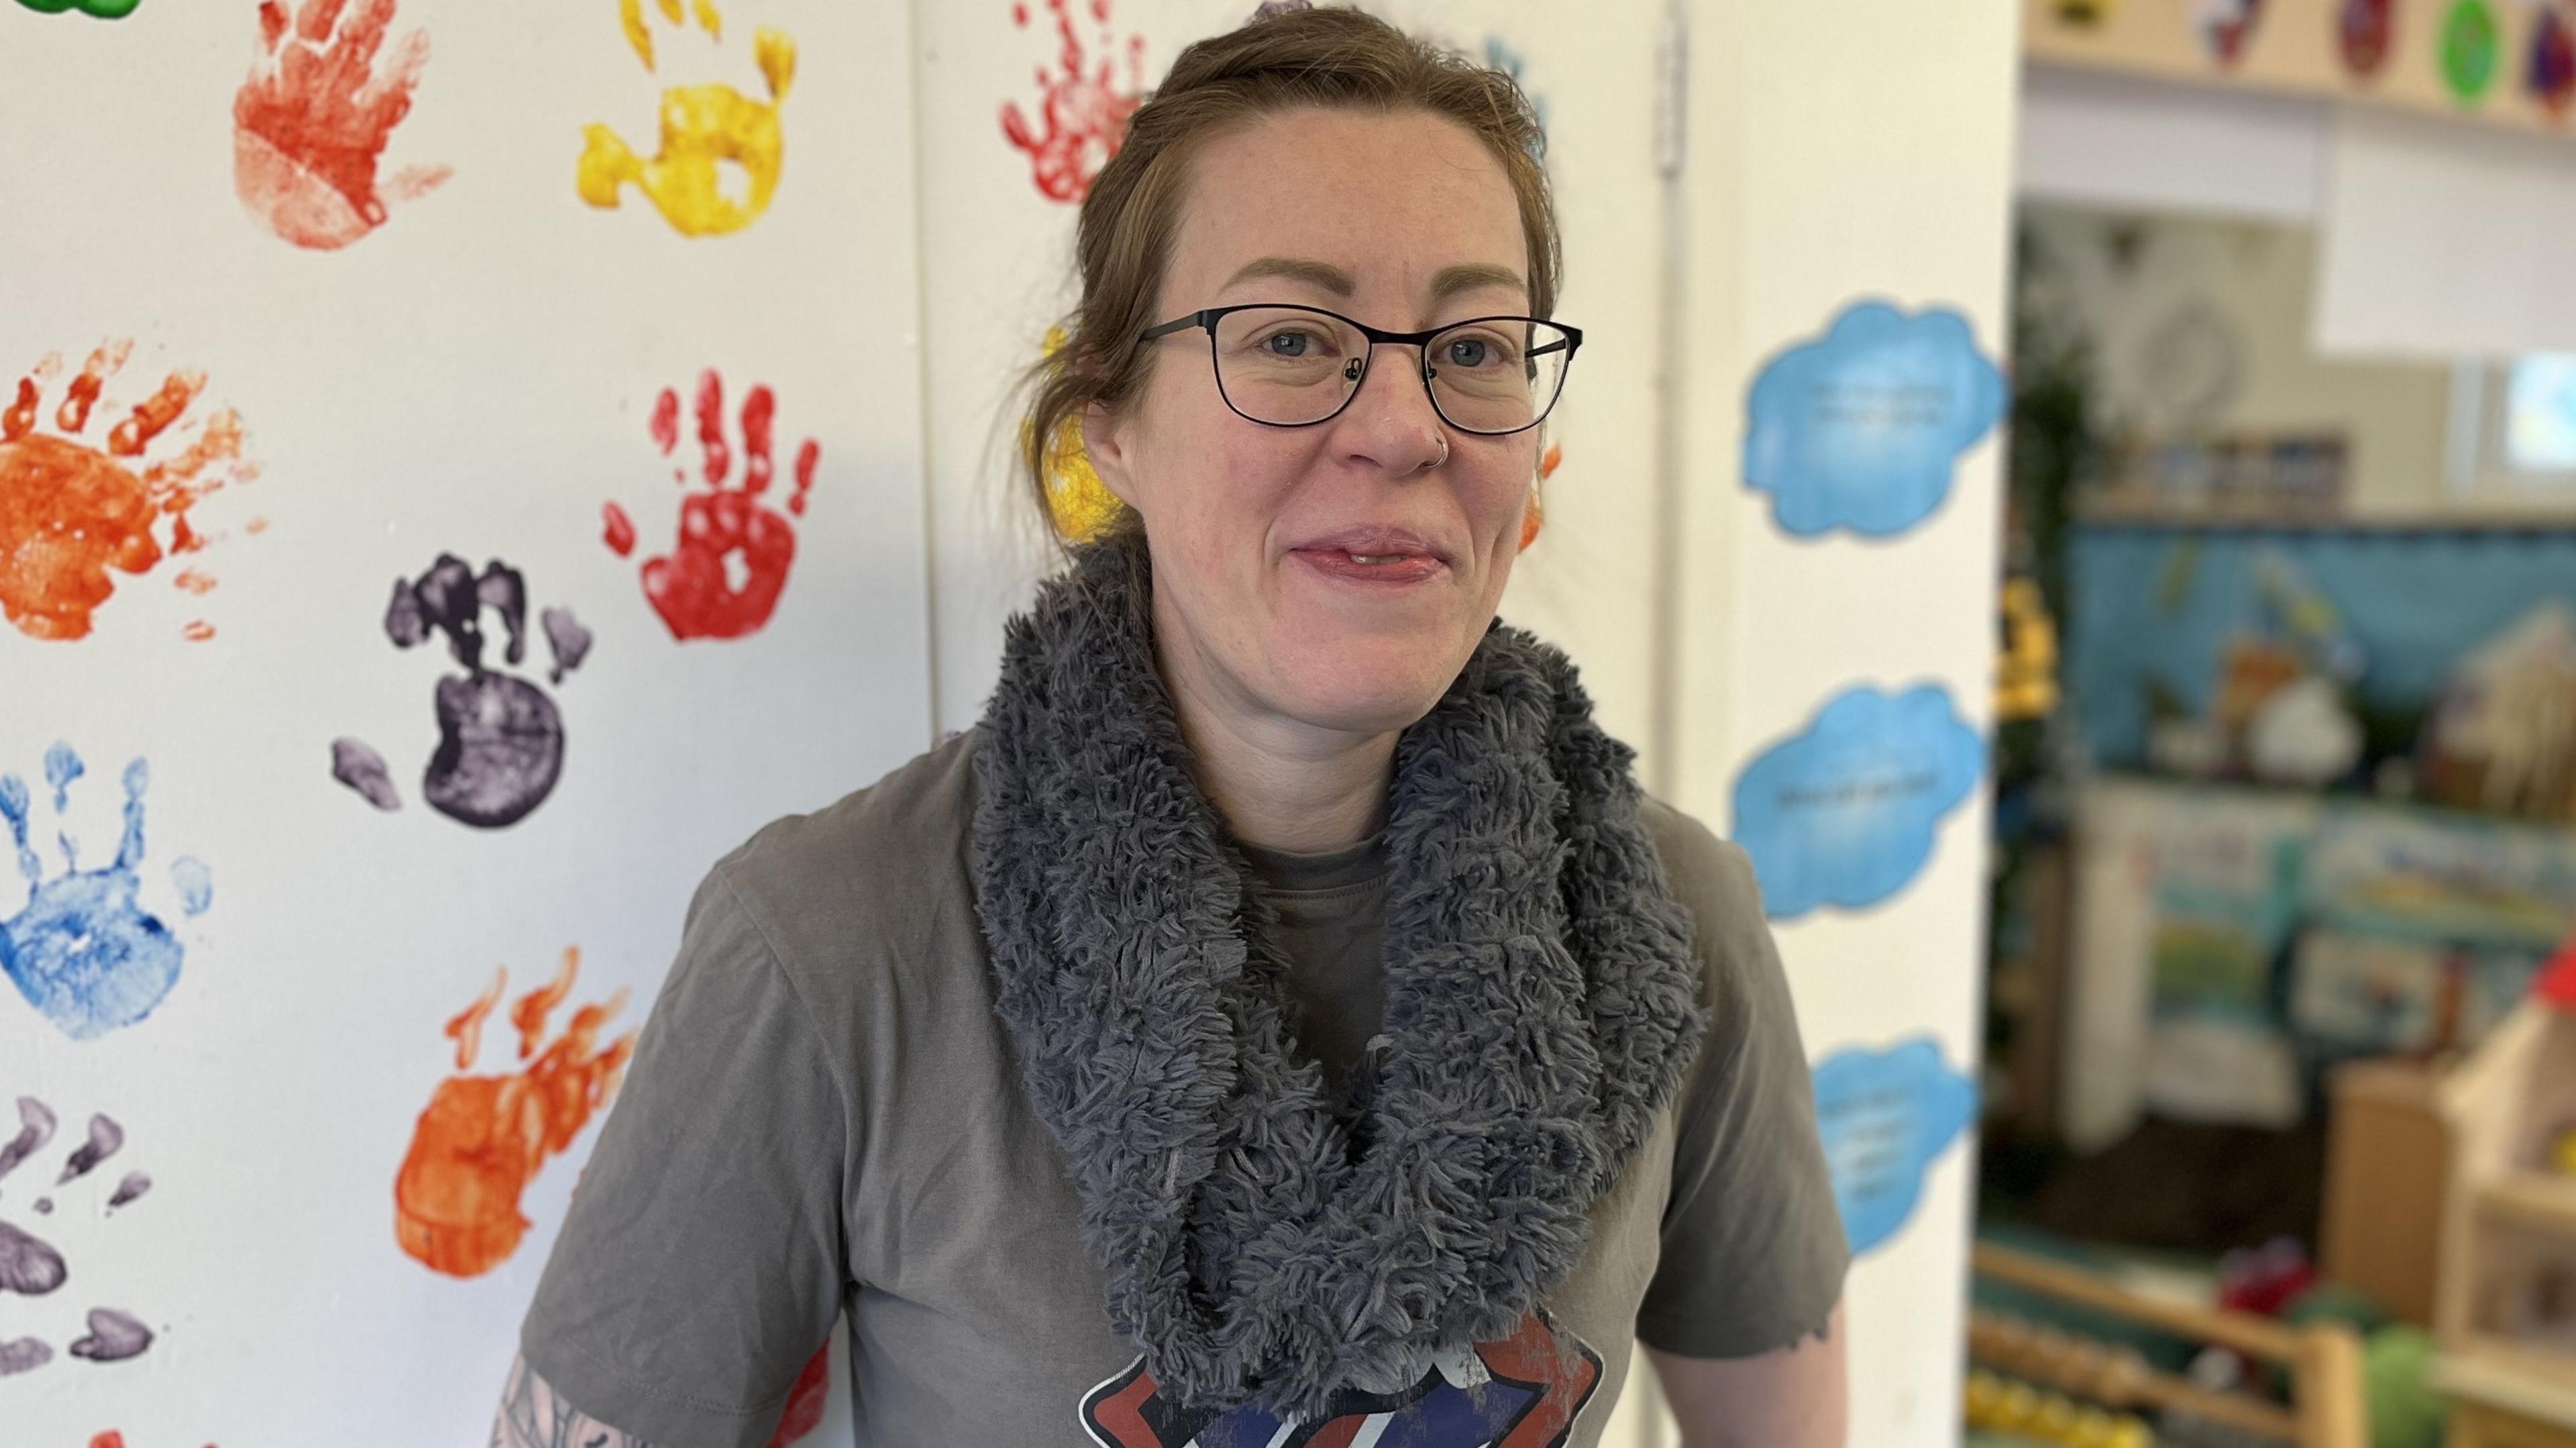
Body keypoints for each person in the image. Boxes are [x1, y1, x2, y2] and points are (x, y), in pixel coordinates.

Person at [492, 7, 1849, 1445]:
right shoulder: (837, 949)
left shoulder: (1669, 922)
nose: (1406, 424)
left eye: (1474, 345)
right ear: (1108, 425)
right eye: (1288, 336)